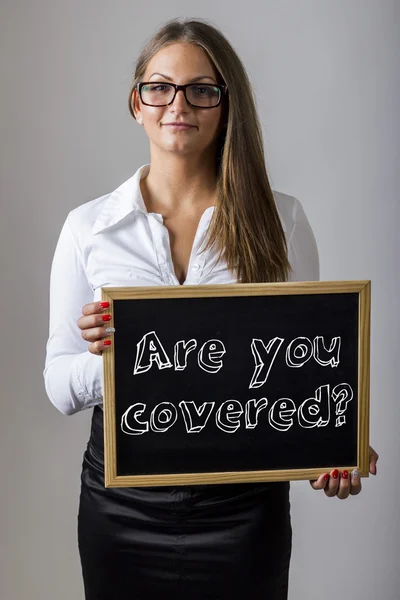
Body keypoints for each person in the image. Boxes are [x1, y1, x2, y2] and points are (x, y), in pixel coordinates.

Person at [43, 17, 378, 600]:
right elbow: (57, 383)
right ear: (136, 103)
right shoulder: (88, 228)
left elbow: (305, 373)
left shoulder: (282, 219)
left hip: (244, 510)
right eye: (160, 87)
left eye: (202, 89)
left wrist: (334, 445)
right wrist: (114, 359)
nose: (179, 104)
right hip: (120, 506)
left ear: (227, 105)